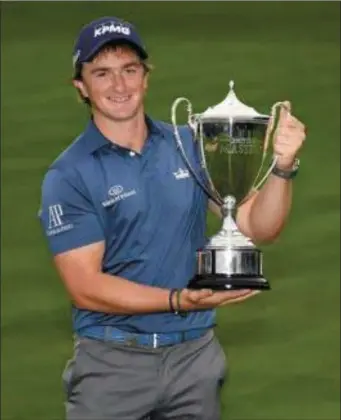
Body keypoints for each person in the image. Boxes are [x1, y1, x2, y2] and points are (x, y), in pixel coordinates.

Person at [38, 16, 306, 420]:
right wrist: (178, 300)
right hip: (112, 364)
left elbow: (258, 227)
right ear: (82, 87)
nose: (119, 85)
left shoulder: (190, 144)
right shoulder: (70, 174)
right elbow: (85, 286)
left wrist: (282, 167)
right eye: (102, 74)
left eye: (130, 70)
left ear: (146, 76)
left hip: (194, 360)